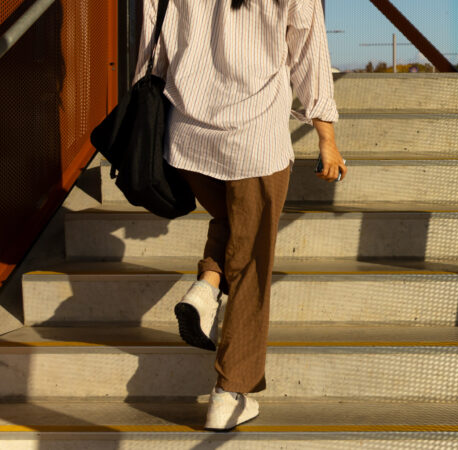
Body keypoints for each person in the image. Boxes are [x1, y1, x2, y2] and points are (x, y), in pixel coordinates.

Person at [132, 0, 347, 431]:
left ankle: (207, 287)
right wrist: (326, 134)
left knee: (236, 226)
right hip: (256, 137)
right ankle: (229, 391)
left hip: (187, 135)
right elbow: (309, 52)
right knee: (251, 263)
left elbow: (153, 49)